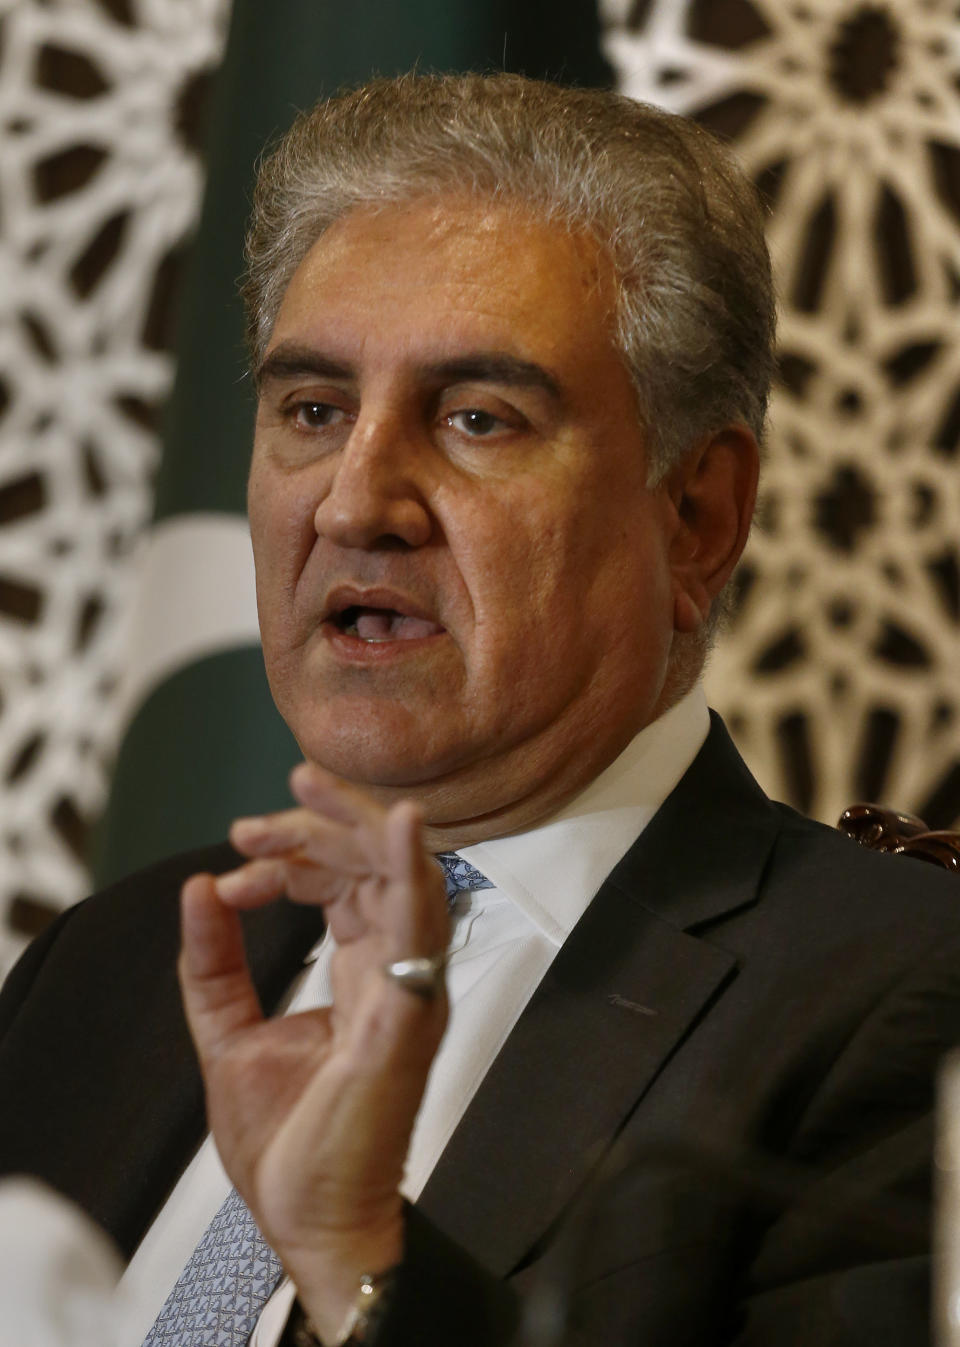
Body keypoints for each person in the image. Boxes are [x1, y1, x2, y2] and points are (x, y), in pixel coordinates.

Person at [1, 72, 959, 1347]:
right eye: (313, 410)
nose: (352, 502)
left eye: (475, 419)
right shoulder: (110, 965)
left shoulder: (894, 995)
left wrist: (360, 1260)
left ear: (698, 516)